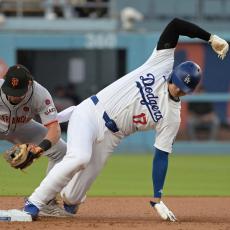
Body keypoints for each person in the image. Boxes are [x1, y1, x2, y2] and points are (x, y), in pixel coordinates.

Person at [21, 18, 228, 221]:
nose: (176, 89)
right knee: (80, 157)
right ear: (174, 73)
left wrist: (157, 196)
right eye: (176, 82)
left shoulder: (172, 116)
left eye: (182, 89)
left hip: (112, 137)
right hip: (91, 113)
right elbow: (175, 25)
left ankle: (57, 173)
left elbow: (161, 156)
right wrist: (210, 38)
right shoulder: (161, 63)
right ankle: (34, 202)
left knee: (72, 199)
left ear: (189, 92)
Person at [0, 64, 72, 217]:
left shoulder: (40, 94)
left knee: (63, 152)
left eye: (18, 92)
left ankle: (46, 202)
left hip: (23, 127)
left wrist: (38, 150)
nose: (13, 96)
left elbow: (54, 129)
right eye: (10, 91)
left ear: (29, 84)